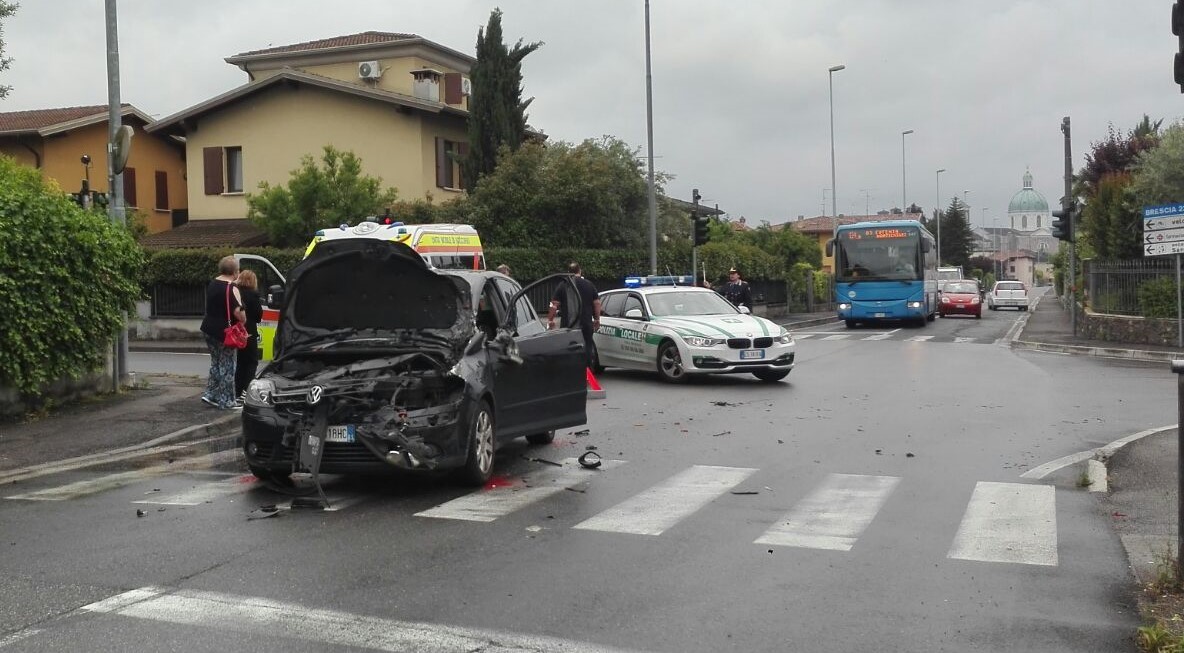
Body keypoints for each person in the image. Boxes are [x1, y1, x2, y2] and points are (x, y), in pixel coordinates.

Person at [199, 256, 245, 410]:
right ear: (234, 271)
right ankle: (226, 401)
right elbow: (238, 312)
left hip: (208, 328)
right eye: (238, 270)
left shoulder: (212, 283)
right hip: (225, 332)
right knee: (228, 365)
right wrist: (243, 320)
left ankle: (211, 394)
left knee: (216, 363)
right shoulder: (231, 288)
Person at [547, 262, 601, 369]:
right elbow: (597, 303)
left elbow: (554, 304)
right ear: (580, 271)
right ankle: (586, 373)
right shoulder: (589, 284)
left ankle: (571, 372)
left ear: (568, 272)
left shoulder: (563, 285)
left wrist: (550, 320)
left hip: (568, 325)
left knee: (568, 348)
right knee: (587, 347)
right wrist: (597, 319)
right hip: (585, 324)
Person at [234, 269, 263, 400]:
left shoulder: (235, 292)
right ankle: (247, 388)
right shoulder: (254, 295)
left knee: (240, 362)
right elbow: (258, 316)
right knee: (252, 361)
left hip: (237, 330)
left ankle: (237, 390)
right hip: (249, 331)